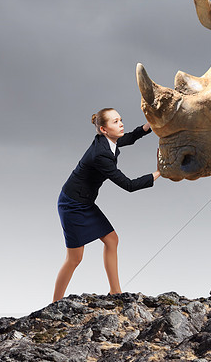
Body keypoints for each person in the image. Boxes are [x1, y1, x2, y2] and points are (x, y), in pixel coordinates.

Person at [53, 108, 160, 302]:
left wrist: (150, 125)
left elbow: (129, 137)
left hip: (84, 201)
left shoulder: (108, 141)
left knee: (112, 239)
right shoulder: (101, 155)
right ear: (103, 129)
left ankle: (115, 291)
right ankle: (54, 303)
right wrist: (159, 172)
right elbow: (128, 185)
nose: (121, 124)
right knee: (74, 259)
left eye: (120, 120)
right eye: (115, 122)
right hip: (72, 205)